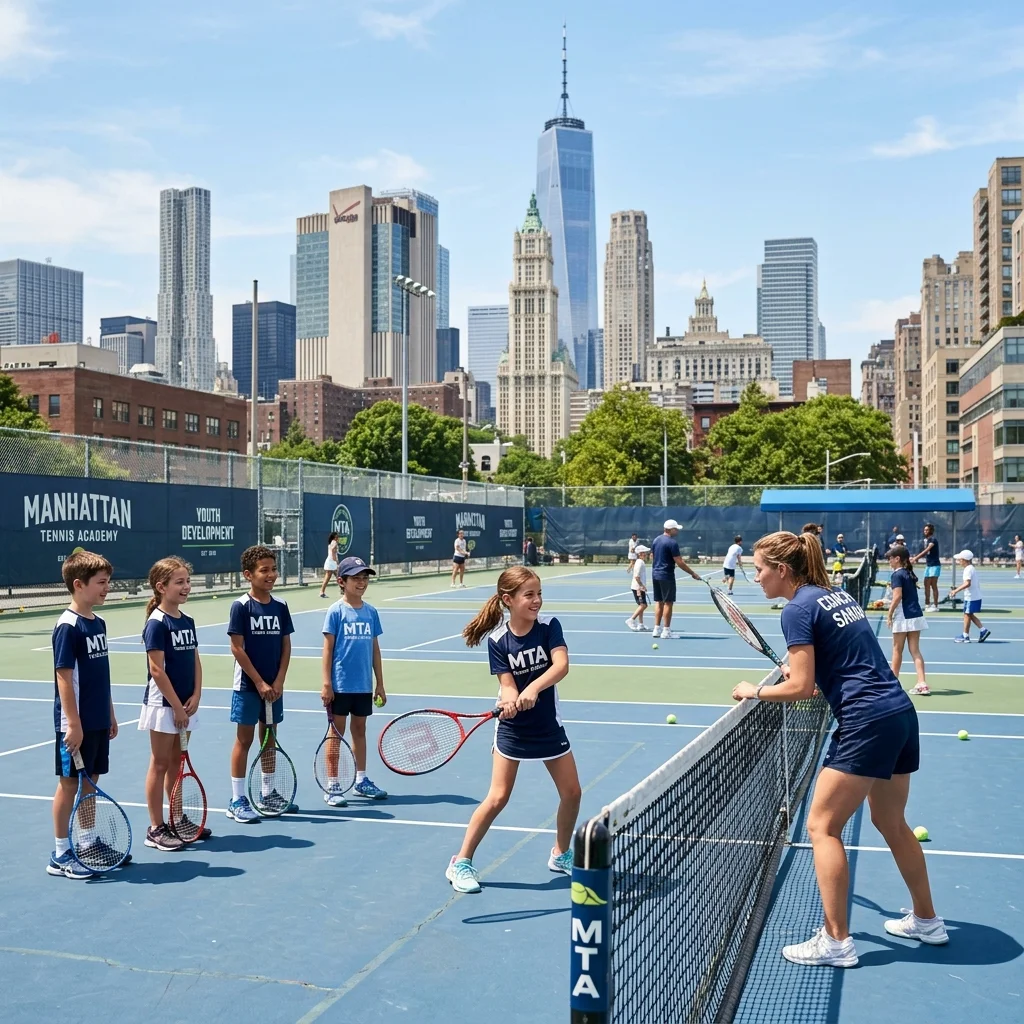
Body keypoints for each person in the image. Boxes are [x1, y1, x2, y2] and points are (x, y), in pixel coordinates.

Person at [732, 531, 946, 966]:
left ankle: (835, 941)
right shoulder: (835, 596)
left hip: (866, 721)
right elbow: (828, 666)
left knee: (822, 828)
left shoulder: (795, 609)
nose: (755, 578)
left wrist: (753, 691)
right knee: (891, 821)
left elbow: (802, 688)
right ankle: (927, 920)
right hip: (899, 712)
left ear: (782, 570)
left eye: (758, 569)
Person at [446, 567, 581, 894]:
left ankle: (560, 854)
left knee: (572, 793)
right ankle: (460, 862)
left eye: (539, 593)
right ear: (508, 600)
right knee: (498, 796)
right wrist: (511, 700)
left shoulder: (549, 627)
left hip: (548, 724)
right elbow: (506, 685)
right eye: (529, 595)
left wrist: (533, 688)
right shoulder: (498, 641)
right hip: (513, 730)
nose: (537, 601)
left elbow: (561, 665)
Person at [48, 551, 128, 879]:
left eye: (108, 581)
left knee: (91, 782)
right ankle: (60, 853)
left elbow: (100, 674)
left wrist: (109, 712)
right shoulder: (68, 626)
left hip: (97, 718)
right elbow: (64, 677)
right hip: (76, 723)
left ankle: (87, 842)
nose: (107, 588)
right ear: (79, 585)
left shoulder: (99, 623)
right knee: (69, 785)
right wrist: (74, 724)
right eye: (101, 583)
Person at [139, 557, 211, 850]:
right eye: (179, 582)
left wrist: (196, 693)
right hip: (162, 705)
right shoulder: (156, 623)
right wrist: (176, 707)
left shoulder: (187, 620)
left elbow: (194, 659)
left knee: (176, 765)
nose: (186, 587)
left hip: (186, 704)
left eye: (187, 581)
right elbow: (157, 670)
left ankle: (177, 819)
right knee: (159, 764)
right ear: (161, 586)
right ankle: (155, 828)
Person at [226, 544, 296, 822]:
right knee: (244, 740)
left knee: (269, 739)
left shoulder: (281, 606)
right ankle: (237, 799)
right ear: (248, 574)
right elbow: (237, 648)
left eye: (274, 569)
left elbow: (286, 646)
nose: (271, 575)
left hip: (273, 688)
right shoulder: (241, 607)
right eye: (264, 570)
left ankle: (268, 794)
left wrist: (278, 681)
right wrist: (259, 682)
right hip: (247, 687)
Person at [321, 555, 389, 804]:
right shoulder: (335, 611)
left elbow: (375, 649)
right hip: (340, 685)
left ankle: (360, 780)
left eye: (365, 578)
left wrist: (379, 683)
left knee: (359, 730)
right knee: (336, 733)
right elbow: (327, 649)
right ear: (342, 581)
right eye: (356, 578)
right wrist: (327, 683)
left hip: (363, 685)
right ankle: (332, 784)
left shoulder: (371, 612)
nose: (362, 582)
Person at [885, 546, 929, 697]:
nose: (889, 561)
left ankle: (892, 683)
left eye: (890, 558)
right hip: (916, 615)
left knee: (897, 650)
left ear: (897, 559)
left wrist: (889, 614)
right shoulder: (908, 573)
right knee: (915, 651)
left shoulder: (897, 575)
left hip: (904, 617)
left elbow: (897, 596)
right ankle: (922, 683)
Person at [650, 519, 701, 639]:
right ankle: (666, 631)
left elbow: (652, 556)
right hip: (666, 575)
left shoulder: (656, 540)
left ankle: (656, 629)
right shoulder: (672, 543)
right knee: (668, 602)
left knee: (659, 601)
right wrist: (692, 573)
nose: (677, 531)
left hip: (655, 574)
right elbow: (679, 562)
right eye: (676, 529)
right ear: (670, 529)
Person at [949, 549, 990, 643]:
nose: (959, 561)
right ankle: (983, 630)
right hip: (973, 596)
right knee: (969, 614)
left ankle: (965, 636)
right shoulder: (970, 568)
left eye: (960, 559)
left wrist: (955, 590)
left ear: (965, 560)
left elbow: (967, 583)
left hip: (971, 597)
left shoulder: (968, 569)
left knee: (967, 615)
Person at [912, 523, 942, 612]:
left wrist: (916, 558)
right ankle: (927, 604)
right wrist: (914, 558)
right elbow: (922, 551)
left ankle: (936, 605)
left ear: (931, 531)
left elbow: (926, 551)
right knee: (926, 585)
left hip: (935, 565)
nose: (925, 531)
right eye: (924, 530)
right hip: (928, 565)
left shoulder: (933, 540)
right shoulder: (925, 540)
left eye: (927, 530)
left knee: (933, 585)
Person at [626, 545, 650, 631]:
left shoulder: (640, 562)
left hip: (638, 587)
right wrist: (641, 586)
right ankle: (631, 620)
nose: (647, 554)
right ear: (641, 553)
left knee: (641, 605)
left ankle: (641, 624)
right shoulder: (640, 562)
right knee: (643, 605)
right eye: (645, 553)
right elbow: (637, 577)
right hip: (638, 587)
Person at [319, 532, 340, 598]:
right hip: (331, 562)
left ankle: (343, 590)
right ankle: (321, 592)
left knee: (338, 576)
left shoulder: (332, 542)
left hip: (331, 562)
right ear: (334, 537)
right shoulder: (334, 542)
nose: (338, 538)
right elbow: (333, 549)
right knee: (331, 577)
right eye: (337, 537)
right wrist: (335, 559)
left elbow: (333, 550)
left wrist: (335, 559)